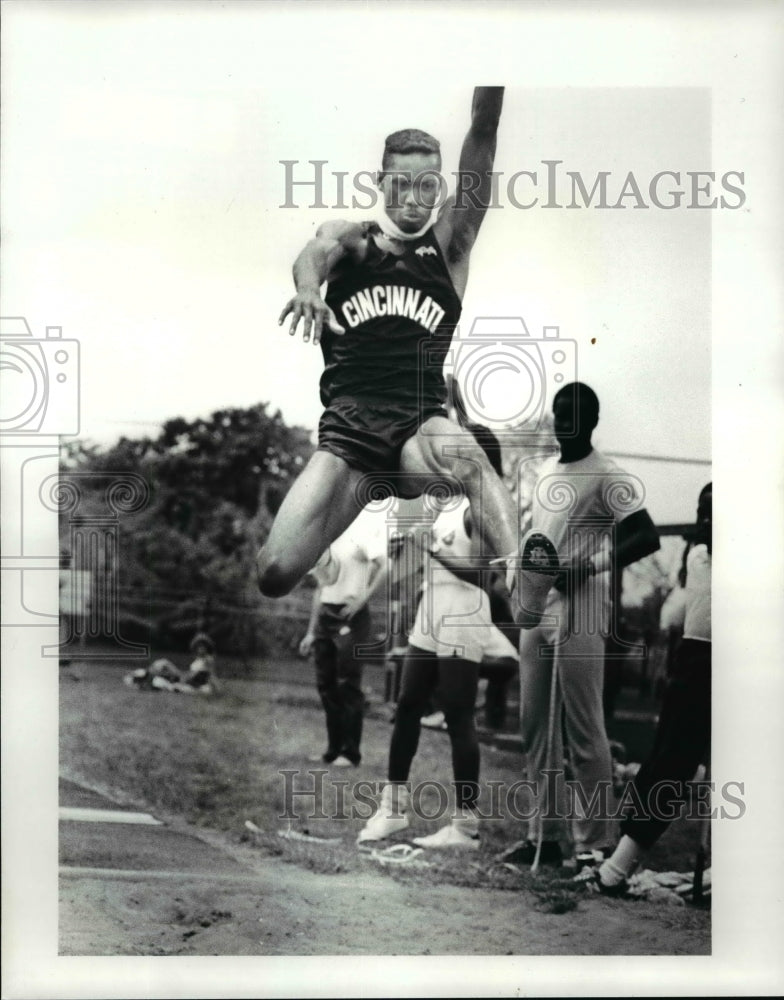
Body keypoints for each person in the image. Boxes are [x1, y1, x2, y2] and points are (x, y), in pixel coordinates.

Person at [257, 87, 531, 621]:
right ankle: (339, 528)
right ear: (381, 184)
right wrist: (310, 288)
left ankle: (522, 574)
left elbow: (485, 128)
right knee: (274, 573)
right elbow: (316, 250)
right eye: (400, 183)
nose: (413, 196)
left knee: (469, 453)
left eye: (427, 184)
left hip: (417, 431)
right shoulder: (354, 241)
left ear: (439, 190)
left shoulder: (450, 246)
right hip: (350, 440)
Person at [507, 382, 661, 868]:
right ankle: (546, 838)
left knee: (582, 723)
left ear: (592, 421)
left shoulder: (606, 472)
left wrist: (590, 566)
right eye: (558, 413)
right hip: (541, 599)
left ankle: (596, 844)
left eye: (573, 414)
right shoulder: (547, 469)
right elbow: (541, 535)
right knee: (534, 722)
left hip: (583, 602)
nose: (563, 422)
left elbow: (646, 535)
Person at [357, 428, 519, 849]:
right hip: (433, 607)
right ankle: (392, 809)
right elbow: (432, 557)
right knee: (407, 704)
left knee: (458, 715)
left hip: (464, 611)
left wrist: (432, 550)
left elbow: (486, 576)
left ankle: (465, 826)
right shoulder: (449, 502)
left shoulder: (483, 508)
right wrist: (407, 547)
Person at [586, 483, 711, 895]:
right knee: (666, 765)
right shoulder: (697, 557)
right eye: (702, 511)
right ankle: (617, 868)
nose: (707, 520)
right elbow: (676, 616)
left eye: (715, 513)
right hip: (695, 664)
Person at [299, 506, 387, 767]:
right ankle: (332, 749)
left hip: (351, 617)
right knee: (326, 686)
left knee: (348, 684)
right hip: (326, 616)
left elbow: (385, 568)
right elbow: (320, 589)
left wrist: (361, 600)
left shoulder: (362, 533)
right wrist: (311, 631)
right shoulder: (327, 540)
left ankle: (350, 753)